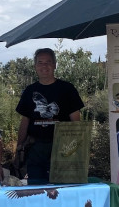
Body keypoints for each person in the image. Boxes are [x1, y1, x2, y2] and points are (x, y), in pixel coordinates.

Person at [15, 48, 84, 184]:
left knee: (62, 189)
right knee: (36, 188)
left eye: (48, 62)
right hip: (36, 148)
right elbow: (24, 121)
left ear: (54, 65)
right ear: (35, 66)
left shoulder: (67, 89)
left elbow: (76, 122)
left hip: (62, 149)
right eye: (40, 62)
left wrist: (78, 150)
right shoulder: (30, 91)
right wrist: (18, 148)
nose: (44, 66)